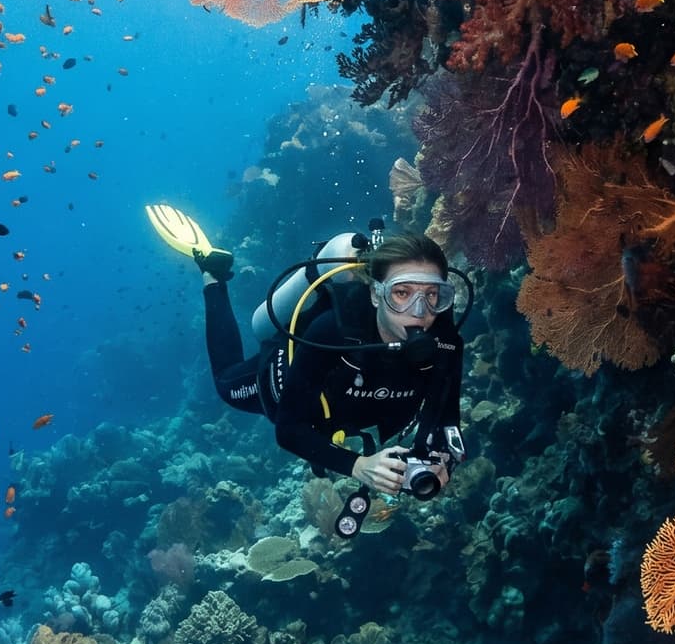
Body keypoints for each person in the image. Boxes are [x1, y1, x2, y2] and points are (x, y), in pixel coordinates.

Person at [146, 206, 466, 502]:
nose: (419, 312)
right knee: (226, 384)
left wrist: (442, 461)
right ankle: (212, 274)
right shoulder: (334, 333)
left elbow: (446, 421)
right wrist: (356, 465)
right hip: (283, 384)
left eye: (432, 295)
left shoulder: (445, 344)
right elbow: (288, 429)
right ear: (374, 294)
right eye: (401, 293)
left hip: (348, 416)